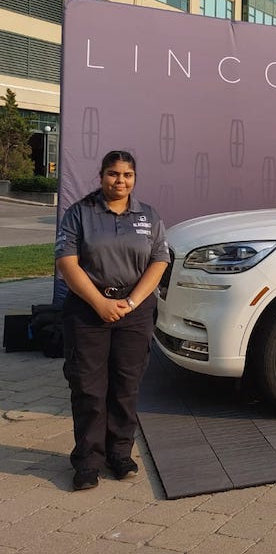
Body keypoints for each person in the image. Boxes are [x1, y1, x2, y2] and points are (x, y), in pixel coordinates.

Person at [55, 150, 170, 491]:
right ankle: (88, 460)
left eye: (127, 175)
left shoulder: (148, 215)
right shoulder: (80, 214)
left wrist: (131, 301)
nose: (120, 181)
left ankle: (120, 454)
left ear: (134, 178)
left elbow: (159, 261)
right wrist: (99, 302)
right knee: (88, 388)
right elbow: (67, 262)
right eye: (113, 174)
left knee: (125, 387)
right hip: (87, 311)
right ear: (101, 175)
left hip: (134, 313)